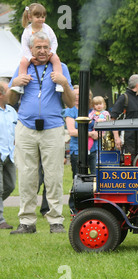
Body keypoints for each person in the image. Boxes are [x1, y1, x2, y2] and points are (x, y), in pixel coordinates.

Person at [7, 31, 75, 234]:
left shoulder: (60, 68)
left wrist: (64, 83)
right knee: (27, 176)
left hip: (53, 128)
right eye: (39, 47)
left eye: (46, 47)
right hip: (25, 128)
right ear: (31, 48)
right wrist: (14, 85)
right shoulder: (22, 67)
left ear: (50, 48)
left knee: (54, 175)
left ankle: (56, 221)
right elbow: (10, 101)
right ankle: (26, 222)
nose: (43, 51)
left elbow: (71, 102)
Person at [11, 3, 63, 95]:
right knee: (23, 62)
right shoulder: (27, 31)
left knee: (56, 59)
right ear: (30, 17)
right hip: (30, 54)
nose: (41, 19)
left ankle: (59, 82)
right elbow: (25, 46)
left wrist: (52, 52)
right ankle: (20, 85)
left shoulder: (47, 28)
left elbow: (54, 41)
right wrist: (30, 57)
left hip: (47, 53)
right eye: (38, 17)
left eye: (43, 17)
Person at [64, 85, 97, 214]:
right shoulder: (71, 111)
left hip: (93, 149)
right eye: (75, 95)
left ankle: (93, 205)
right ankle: (74, 207)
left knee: (95, 178)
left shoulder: (92, 111)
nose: (77, 98)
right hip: (77, 150)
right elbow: (72, 131)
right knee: (78, 179)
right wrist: (90, 134)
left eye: (80, 95)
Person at [0, 81, 18, 230]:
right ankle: (0, 221)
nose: (11, 95)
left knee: (10, 185)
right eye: (8, 91)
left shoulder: (12, 111)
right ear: (1, 95)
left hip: (9, 154)